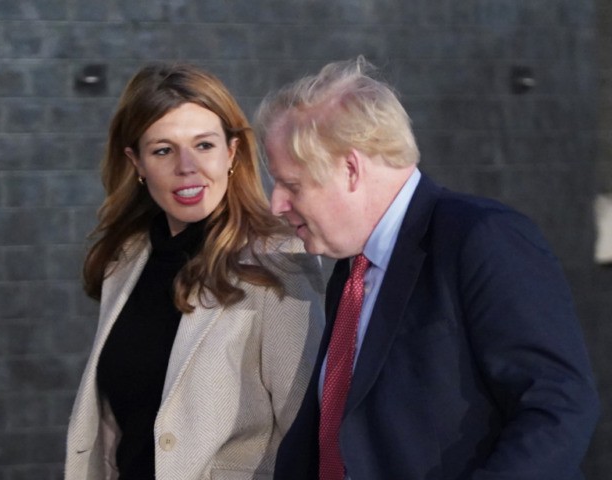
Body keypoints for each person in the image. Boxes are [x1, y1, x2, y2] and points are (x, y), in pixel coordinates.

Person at [254, 56, 600, 480]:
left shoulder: (482, 237)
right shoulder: (352, 269)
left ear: (350, 168)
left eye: (291, 184)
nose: (277, 205)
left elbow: (558, 408)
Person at [65, 63, 325, 480]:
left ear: (232, 153)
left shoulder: (279, 260)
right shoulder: (126, 259)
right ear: (137, 162)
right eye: (163, 150)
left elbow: (308, 434)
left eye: (203, 145)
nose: (187, 166)